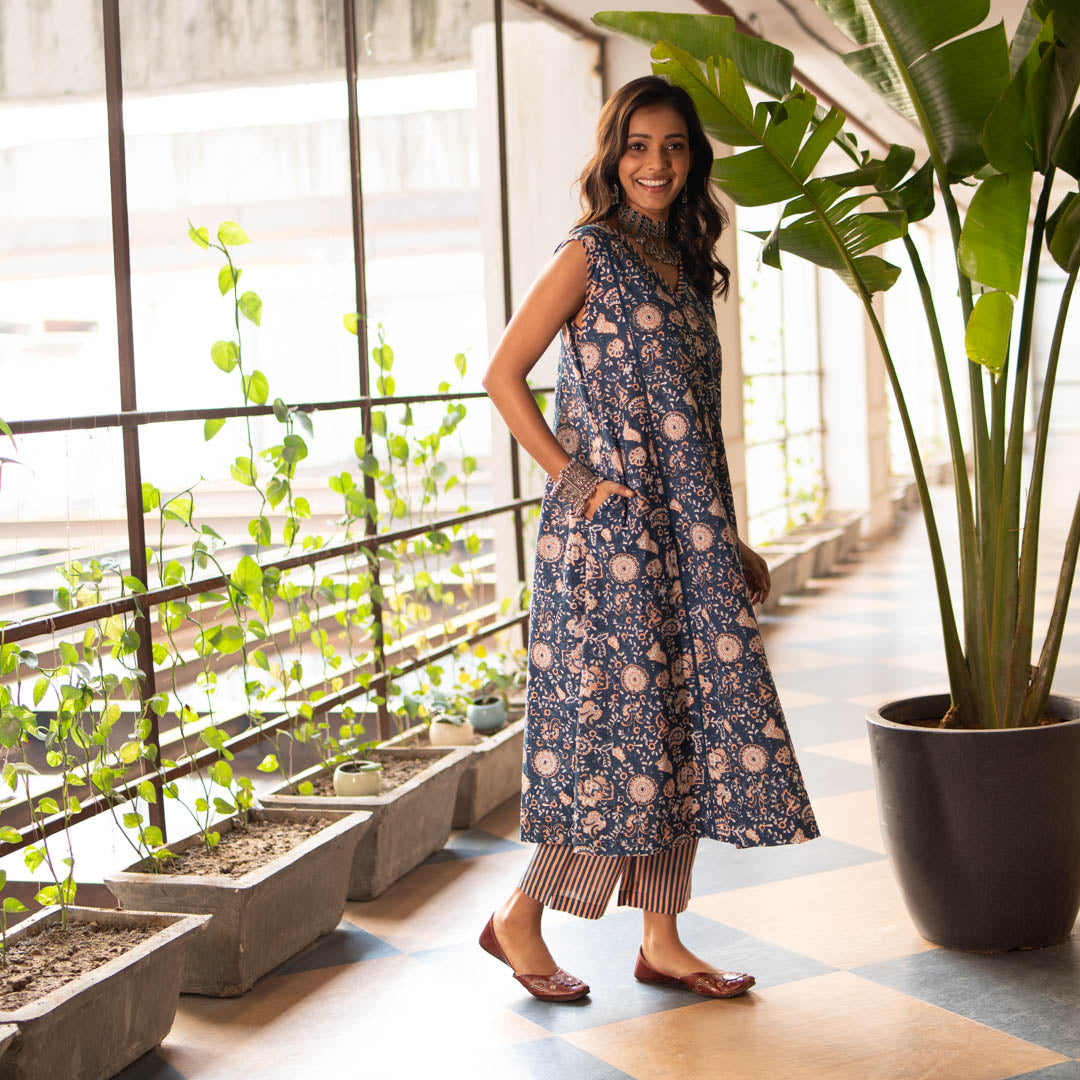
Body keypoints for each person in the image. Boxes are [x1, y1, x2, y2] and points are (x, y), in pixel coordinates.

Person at [479, 75, 819, 1003]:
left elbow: (699, 425)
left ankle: (662, 940)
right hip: (611, 541)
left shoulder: (686, 269)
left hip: (690, 539)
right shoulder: (587, 255)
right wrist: (578, 484)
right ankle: (519, 916)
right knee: (614, 738)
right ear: (611, 155)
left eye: (673, 146)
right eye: (637, 145)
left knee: (686, 731)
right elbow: (503, 375)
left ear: (693, 159)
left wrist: (732, 538)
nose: (655, 163)